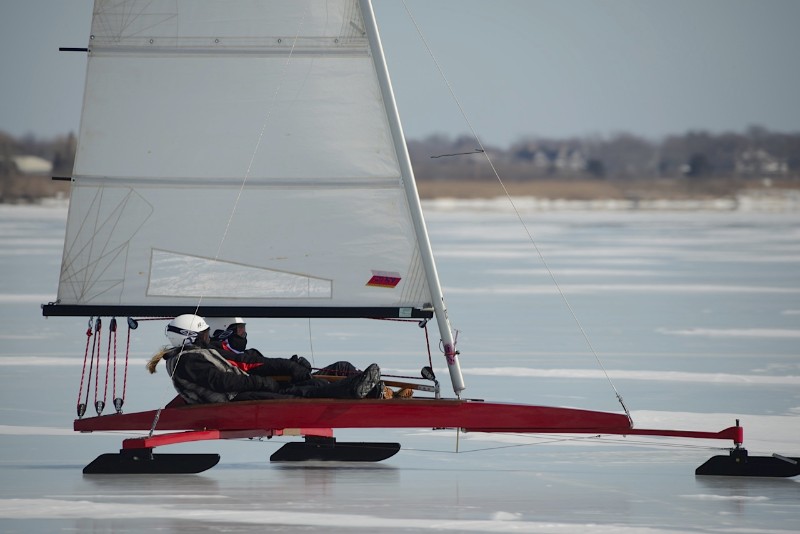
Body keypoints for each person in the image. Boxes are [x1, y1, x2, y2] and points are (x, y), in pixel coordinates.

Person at [146, 314, 383, 404]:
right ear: (189, 337)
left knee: (311, 386)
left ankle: (361, 388)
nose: (208, 336)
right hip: (234, 399)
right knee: (300, 394)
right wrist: (264, 383)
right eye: (203, 333)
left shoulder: (194, 355)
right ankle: (354, 389)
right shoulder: (187, 360)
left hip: (241, 391)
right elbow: (223, 383)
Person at [207, 317, 411, 398]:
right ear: (223, 332)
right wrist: (290, 367)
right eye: (240, 331)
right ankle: (377, 393)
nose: (244, 335)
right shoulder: (222, 356)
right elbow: (260, 365)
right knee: (321, 386)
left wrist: (295, 364)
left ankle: (383, 390)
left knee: (342, 367)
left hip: (285, 383)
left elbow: (266, 364)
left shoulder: (243, 353)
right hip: (275, 391)